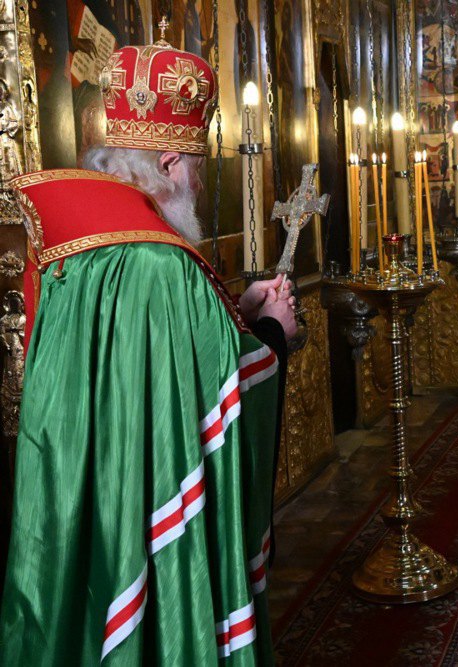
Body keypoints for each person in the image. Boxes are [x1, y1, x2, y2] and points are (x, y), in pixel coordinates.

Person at [1, 34, 297, 663]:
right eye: (193, 166)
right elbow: (211, 400)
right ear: (167, 161)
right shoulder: (159, 264)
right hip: (143, 490)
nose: (196, 181)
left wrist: (233, 311)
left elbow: (151, 360)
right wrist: (272, 334)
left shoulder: (72, 246)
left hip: (79, 484)